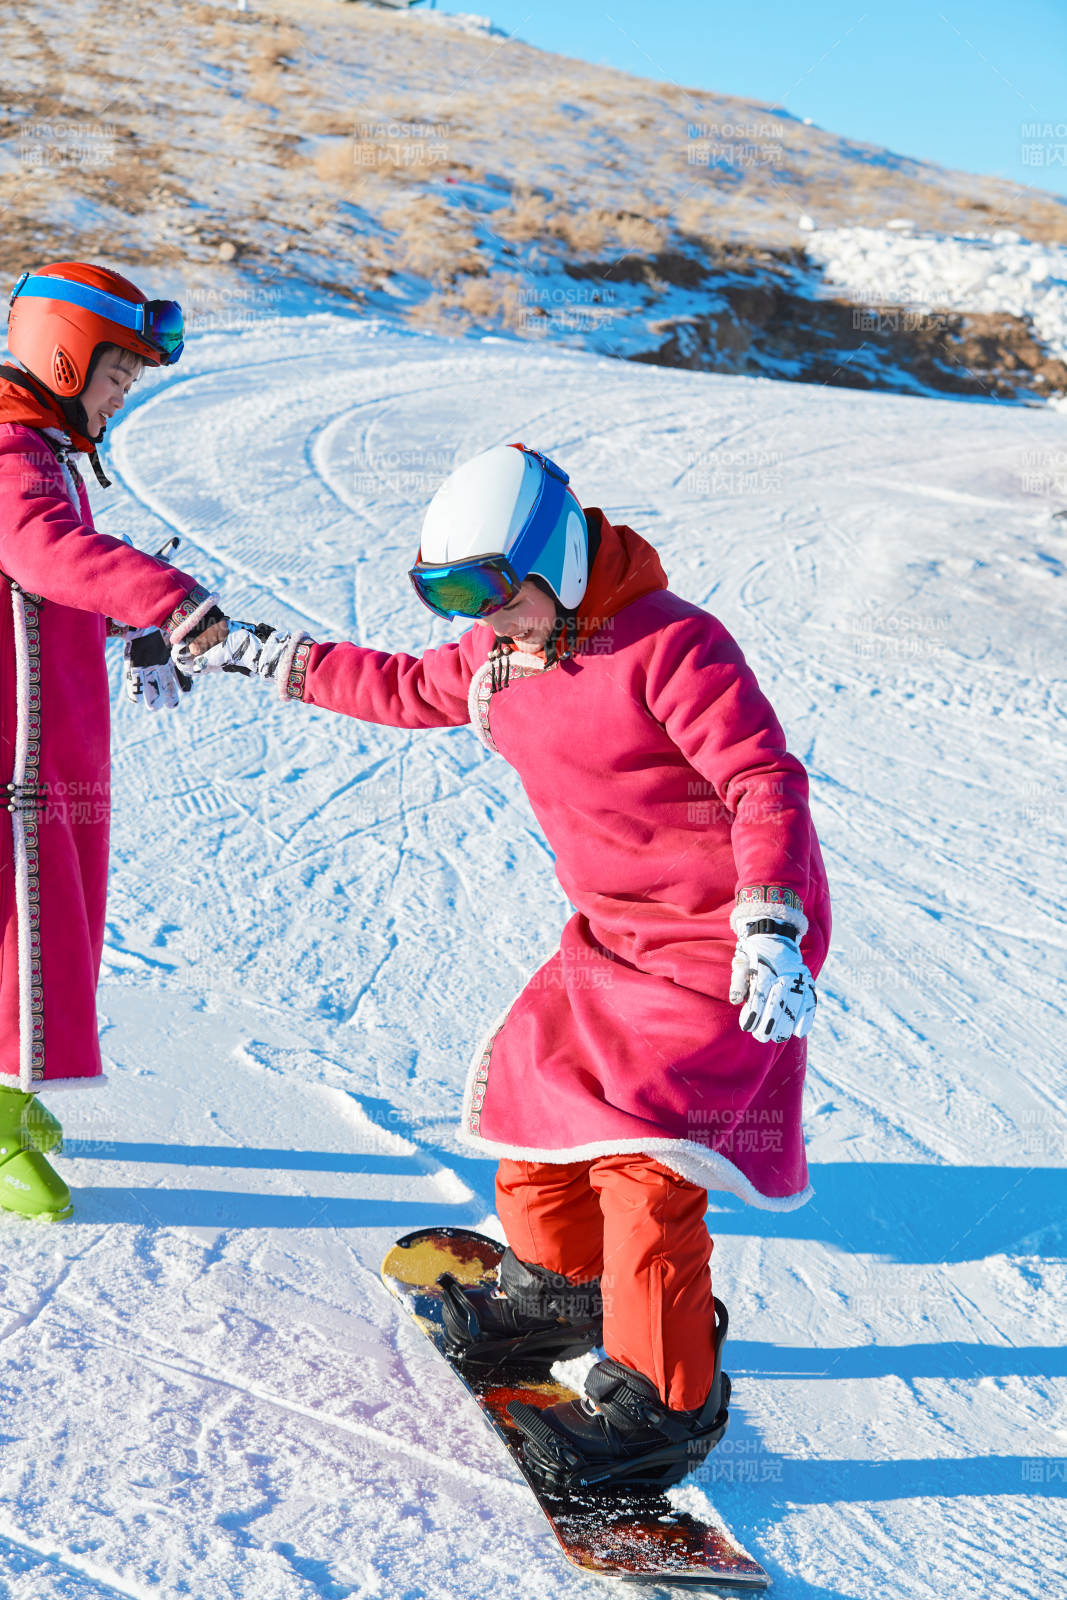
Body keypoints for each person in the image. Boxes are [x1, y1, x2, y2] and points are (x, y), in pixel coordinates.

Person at [181, 441, 831, 1490]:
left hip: (726, 934)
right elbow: (391, 684)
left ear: (560, 563)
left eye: (496, 594)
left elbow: (760, 777)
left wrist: (769, 919)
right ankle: (562, 1286)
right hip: (613, 930)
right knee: (537, 1094)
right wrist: (263, 655)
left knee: (644, 1163)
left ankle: (663, 1401)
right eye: (454, 601)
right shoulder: (502, 663)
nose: (483, 623)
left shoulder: (671, 646)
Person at [0, 262, 228, 1220]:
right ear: (64, 356)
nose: (122, 396)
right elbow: (47, 555)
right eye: (115, 376)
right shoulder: (11, 455)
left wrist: (126, 627)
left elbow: (46, 593)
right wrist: (166, 597)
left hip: (56, 746)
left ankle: (10, 1096)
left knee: (54, 917)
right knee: (24, 926)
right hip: (17, 755)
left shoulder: (44, 449)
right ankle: (4, 1128)